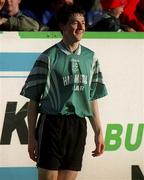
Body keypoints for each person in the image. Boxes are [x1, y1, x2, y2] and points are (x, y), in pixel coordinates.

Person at [20, 4, 107, 180]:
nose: (81, 27)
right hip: (52, 124)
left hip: (78, 126)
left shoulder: (91, 58)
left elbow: (91, 98)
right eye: (75, 23)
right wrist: (31, 138)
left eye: (83, 22)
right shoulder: (48, 57)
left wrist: (98, 131)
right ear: (62, 26)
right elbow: (33, 101)